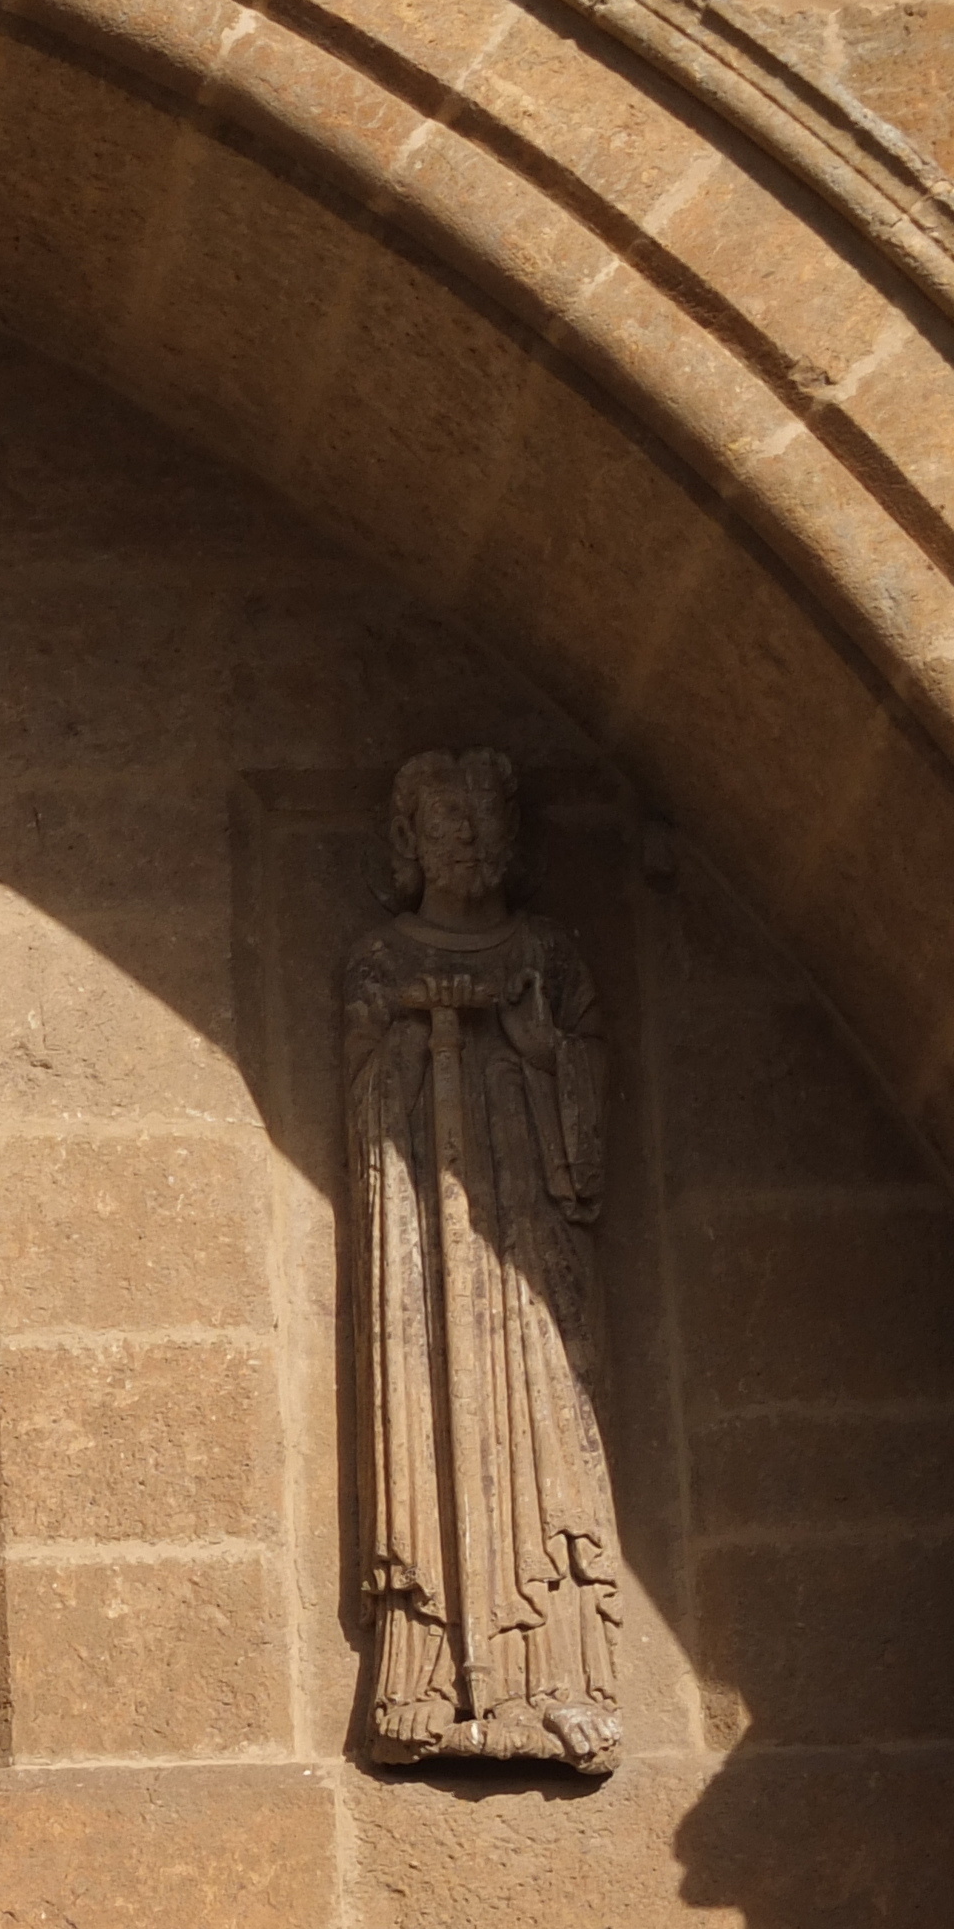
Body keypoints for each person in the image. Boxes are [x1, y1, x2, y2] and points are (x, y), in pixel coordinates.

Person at [343, 747, 620, 1772]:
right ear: (410, 844)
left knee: (542, 1426)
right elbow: (362, 1095)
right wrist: (412, 1041)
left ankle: (556, 1672)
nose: (461, 842)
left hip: (522, 1237)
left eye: (476, 823)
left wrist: (538, 1054)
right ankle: (426, 1668)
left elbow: (583, 1081)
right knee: (423, 1428)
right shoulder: (381, 960)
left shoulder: (543, 952)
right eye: (440, 825)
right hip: (425, 1242)